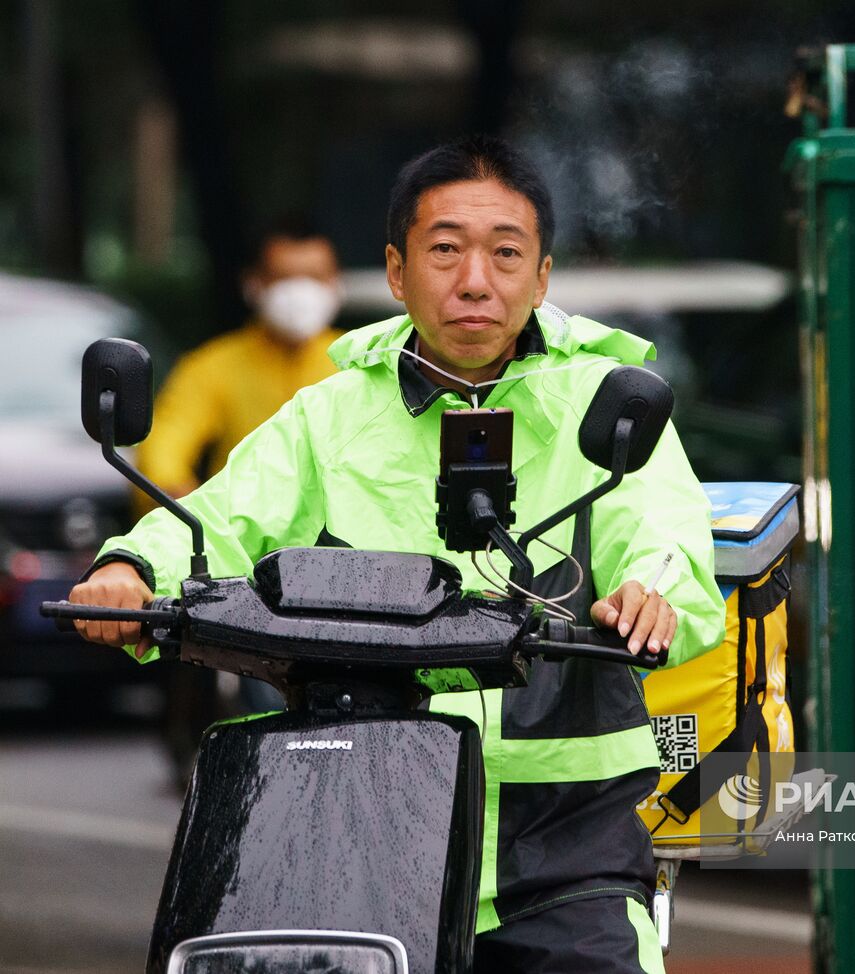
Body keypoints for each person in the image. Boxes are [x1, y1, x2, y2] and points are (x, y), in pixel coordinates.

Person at [67, 136, 725, 972]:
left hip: (567, 848)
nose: (475, 279)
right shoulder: (329, 417)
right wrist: (131, 570)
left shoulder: (610, 406)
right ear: (396, 269)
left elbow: (666, 536)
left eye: (505, 253)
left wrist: (647, 593)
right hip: (356, 824)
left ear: (543, 276)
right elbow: (218, 518)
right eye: (445, 250)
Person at [138, 219, 346, 503]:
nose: (300, 292)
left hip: (345, 544)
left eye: (314, 277)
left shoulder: (360, 359)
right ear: (253, 283)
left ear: (336, 283)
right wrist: (187, 510)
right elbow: (164, 447)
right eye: (283, 278)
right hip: (240, 539)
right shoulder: (211, 366)